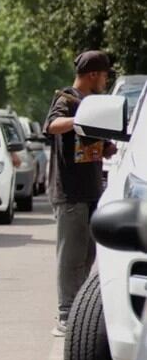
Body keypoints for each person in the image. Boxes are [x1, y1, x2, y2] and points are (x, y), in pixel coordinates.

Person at [43, 50, 118, 336]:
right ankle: (65, 315)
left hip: (91, 191)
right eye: (104, 75)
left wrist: (106, 147)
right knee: (70, 257)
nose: (106, 80)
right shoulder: (67, 98)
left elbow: (95, 144)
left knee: (86, 256)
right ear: (92, 75)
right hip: (70, 193)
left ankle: (78, 314)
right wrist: (79, 119)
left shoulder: (93, 103)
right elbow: (52, 125)